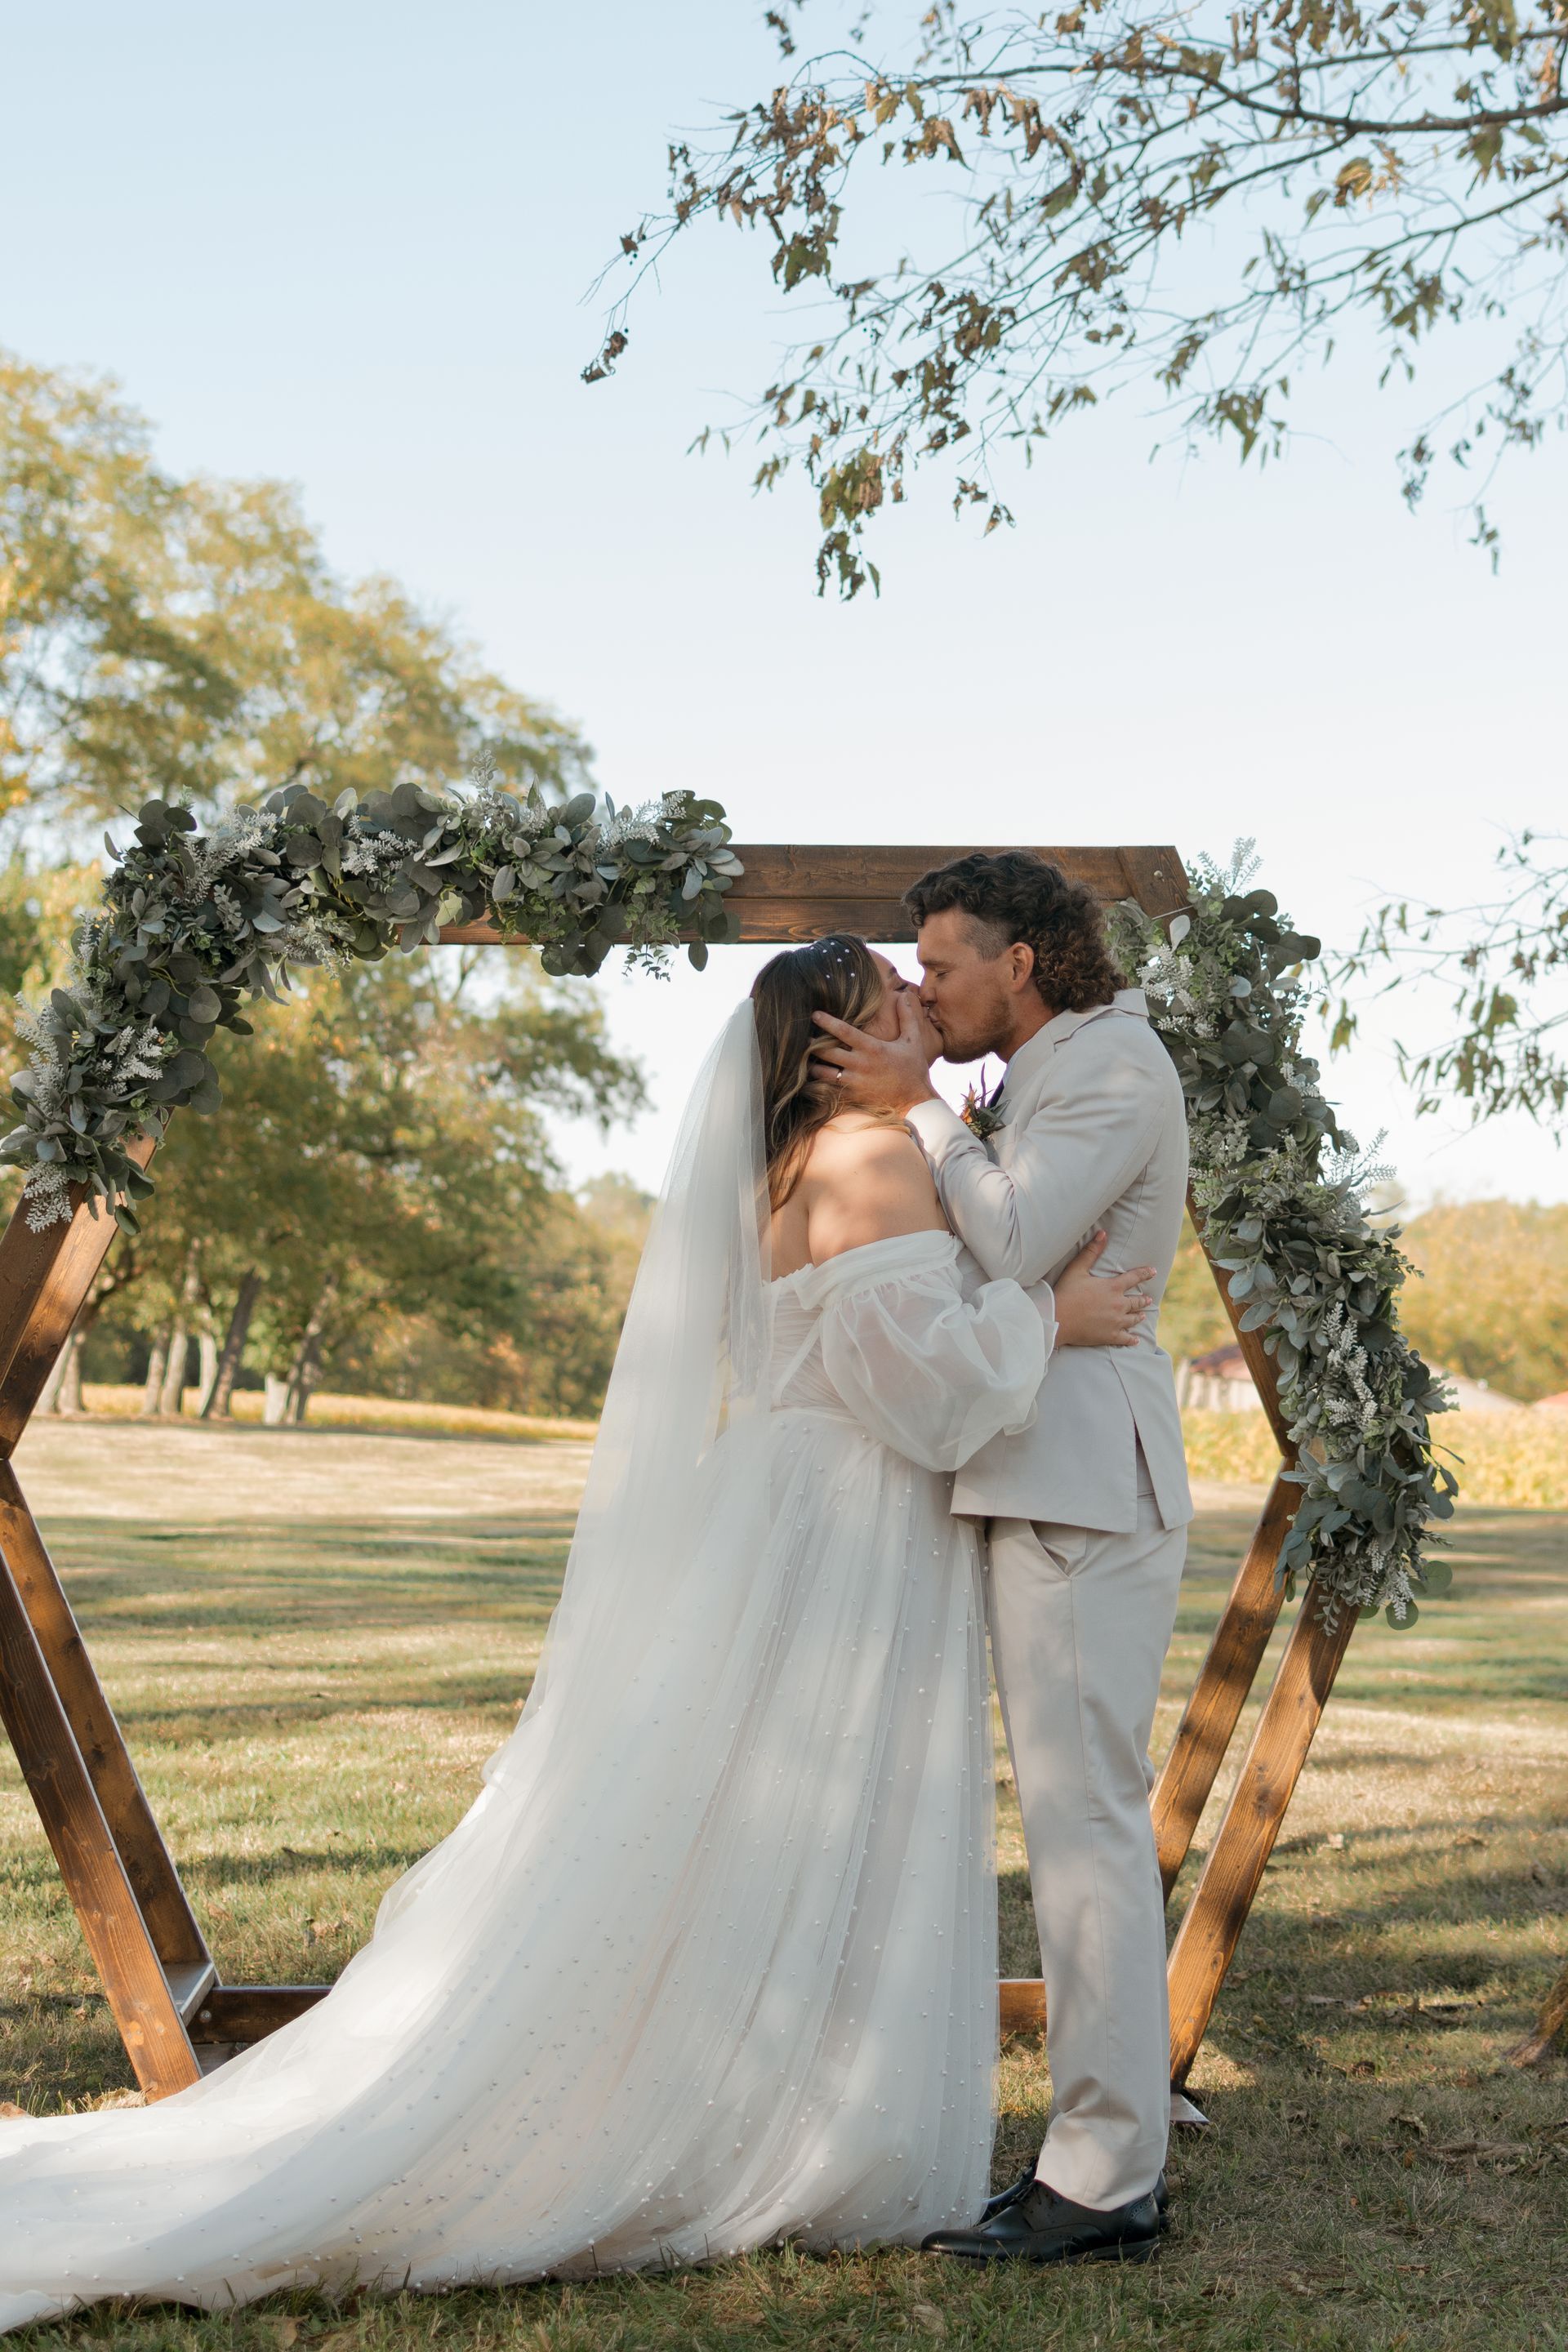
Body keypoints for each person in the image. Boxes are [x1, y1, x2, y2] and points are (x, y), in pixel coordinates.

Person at [0, 935, 1152, 2329]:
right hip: (855, 1520)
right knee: (820, 1822)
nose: (917, 1004)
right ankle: (804, 2129)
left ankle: (776, 2083)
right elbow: (920, 1386)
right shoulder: (874, 1160)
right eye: (889, 1000)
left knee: (750, 1826)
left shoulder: (797, 1167)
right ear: (838, 1043)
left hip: (799, 1506)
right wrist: (1051, 1312)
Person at [811, 854, 1191, 2266]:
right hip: (1032, 1470)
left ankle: (1103, 2182)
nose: (922, 990)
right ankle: (1102, 2148)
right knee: (1068, 1831)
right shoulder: (1028, 1077)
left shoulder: (1114, 1067)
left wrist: (918, 1108)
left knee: (1088, 1833)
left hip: (1086, 1488)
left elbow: (1021, 1235)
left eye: (943, 967)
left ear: (1023, 959)